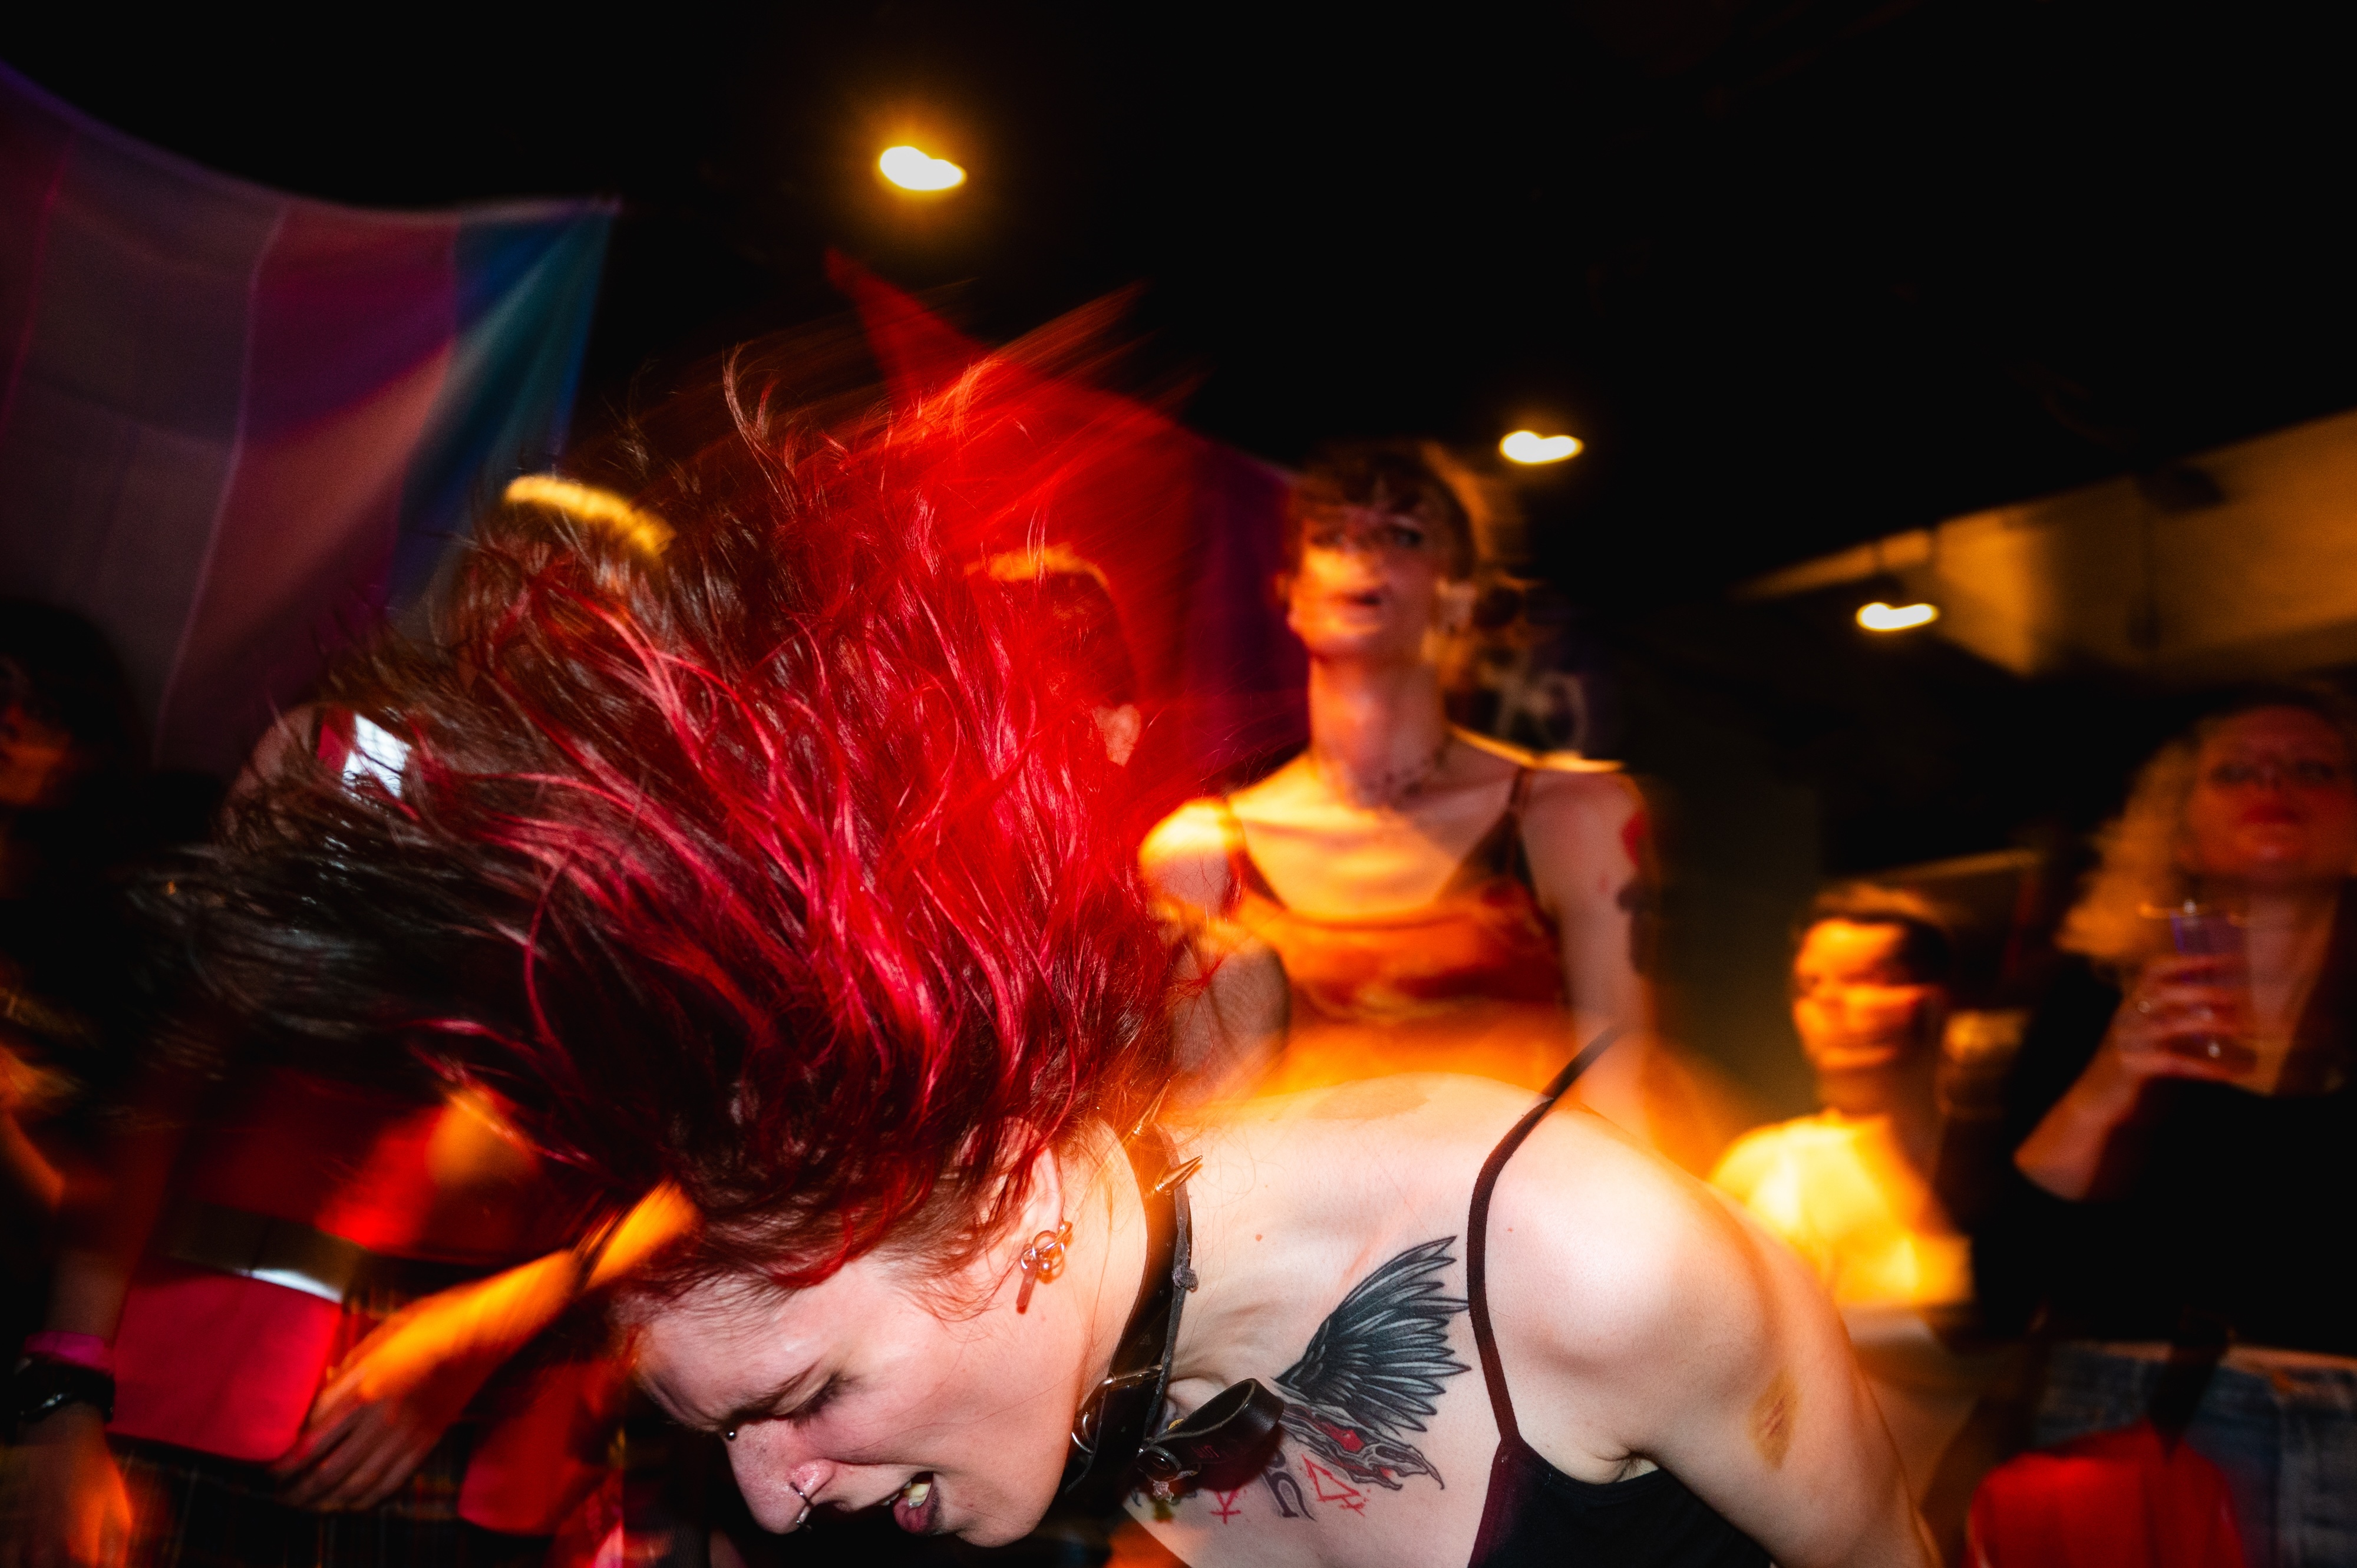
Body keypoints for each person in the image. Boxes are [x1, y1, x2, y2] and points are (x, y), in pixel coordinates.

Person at [105, 365, 1932, 1568]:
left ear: (994, 1198)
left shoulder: (1594, 1263)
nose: (768, 1490)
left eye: (799, 1398)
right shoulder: (1092, 1364)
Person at [1142, 443, 1734, 1171]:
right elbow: (1188, 1129)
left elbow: (1625, 1097)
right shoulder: (1198, 853)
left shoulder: (1573, 815)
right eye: (1332, 537)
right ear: (1291, 592)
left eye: (1402, 534)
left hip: (1517, 1251)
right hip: (1295, 1261)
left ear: (1459, 594)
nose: (1362, 554)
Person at [1978, 689, 2357, 1564]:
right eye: (2235, 771)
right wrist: (2108, 1084)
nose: (2275, 784)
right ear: (2179, 833)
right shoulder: (2091, 999)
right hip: (2138, 1426)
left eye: (2314, 768)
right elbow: (2001, 1283)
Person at [1711, 888, 2009, 1550]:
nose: (1832, 1009)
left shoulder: (2016, 1171)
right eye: (1811, 985)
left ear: (1942, 998)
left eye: (1868, 980)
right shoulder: (1767, 1169)